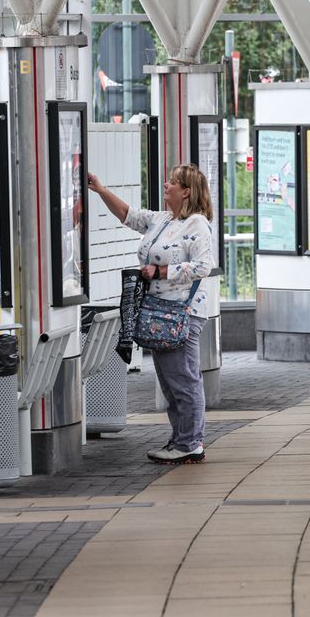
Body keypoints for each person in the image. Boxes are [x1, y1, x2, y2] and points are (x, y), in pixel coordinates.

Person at [88, 164, 215, 464]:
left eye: (173, 182)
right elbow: (128, 216)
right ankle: (181, 439)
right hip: (159, 313)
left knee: (183, 378)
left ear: (187, 191)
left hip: (182, 313)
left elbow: (203, 266)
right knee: (170, 380)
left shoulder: (196, 224)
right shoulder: (162, 220)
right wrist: (101, 190)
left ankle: (190, 442)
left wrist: (161, 271)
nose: (166, 185)